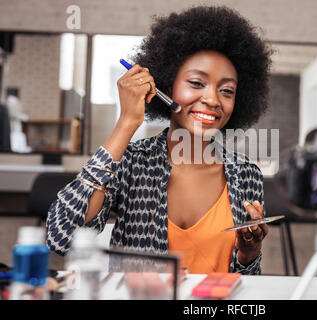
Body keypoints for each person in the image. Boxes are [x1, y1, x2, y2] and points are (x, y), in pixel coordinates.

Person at [46, 6, 273, 275]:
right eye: (197, 83)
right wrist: (127, 123)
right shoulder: (131, 162)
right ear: (167, 87)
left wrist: (249, 255)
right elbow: (62, 237)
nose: (213, 100)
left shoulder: (246, 175)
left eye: (226, 90)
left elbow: (248, 284)